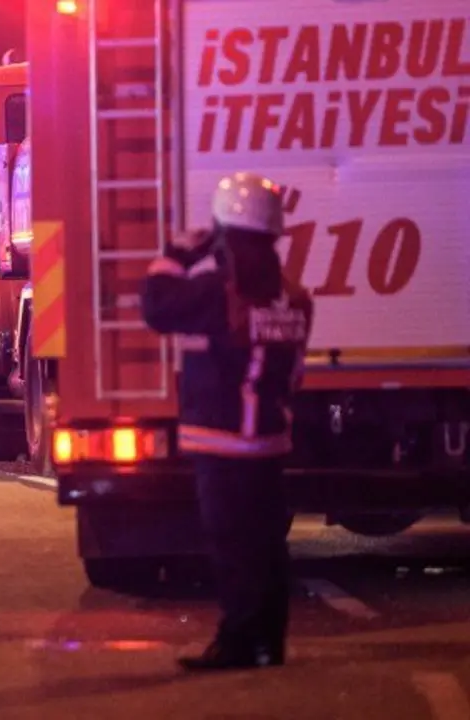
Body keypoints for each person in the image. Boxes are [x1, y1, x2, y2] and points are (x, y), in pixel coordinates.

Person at [141, 172, 313, 671]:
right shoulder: (296, 296)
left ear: (225, 232)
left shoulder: (219, 293)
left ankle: (238, 643)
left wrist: (178, 252)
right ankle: (267, 642)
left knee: (232, 545)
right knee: (267, 545)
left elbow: (155, 304)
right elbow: (295, 372)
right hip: (269, 440)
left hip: (221, 442)